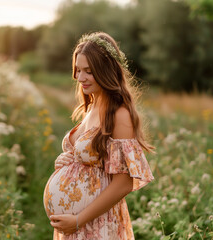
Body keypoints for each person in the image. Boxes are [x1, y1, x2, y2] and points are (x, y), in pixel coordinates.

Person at [43, 32, 155, 239]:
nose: (80, 77)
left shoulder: (119, 115)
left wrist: (79, 220)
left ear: (106, 71)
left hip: (97, 224)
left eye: (89, 71)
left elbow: (124, 182)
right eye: (78, 70)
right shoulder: (92, 106)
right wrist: (64, 162)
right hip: (75, 225)